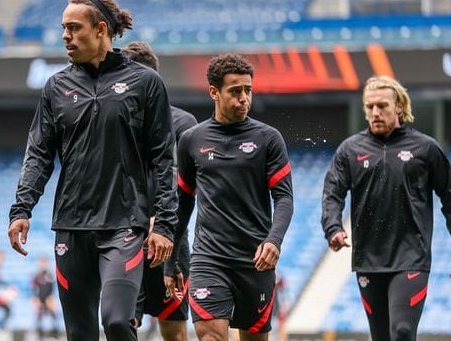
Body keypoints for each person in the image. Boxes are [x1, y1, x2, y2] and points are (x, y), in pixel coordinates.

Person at [8, 0, 178, 341]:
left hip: (124, 226)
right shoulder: (55, 87)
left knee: (117, 321)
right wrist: (21, 208)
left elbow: (163, 157)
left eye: (74, 28)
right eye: (63, 28)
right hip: (71, 227)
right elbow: (39, 153)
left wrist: (164, 223)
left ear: (101, 29)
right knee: (80, 334)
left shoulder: (146, 83)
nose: (65, 36)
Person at [322, 75, 451, 341]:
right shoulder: (350, 150)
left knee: (402, 331)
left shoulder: (426, 149)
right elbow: (333, 193)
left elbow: (449, 195)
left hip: (411, 257)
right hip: (369, 260)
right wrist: (333, 227)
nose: (375, 112)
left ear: (400, 107)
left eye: (382, 106)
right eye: (369, 107)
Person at [177, 53, 294, 340]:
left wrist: (273, 241)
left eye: (248, 91)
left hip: (255, 261)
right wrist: (173, 261)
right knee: (210, 337)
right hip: (208, 259)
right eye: (235, 91)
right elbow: (182, 202)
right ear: (214, 92)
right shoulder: (191, 140)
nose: (244, 98)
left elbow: (284, 198)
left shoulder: (269, 139)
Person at [122, 41, 197, 341]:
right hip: (123, 240)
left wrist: (161, 220)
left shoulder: (181, 123)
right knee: (122, 325)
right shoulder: (117, 121)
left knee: (175, 333)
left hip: (169, 241)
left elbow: (187, 184)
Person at [31, 256, 59, 339]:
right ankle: (40, 336)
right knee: (39, 317)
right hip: (40, 299)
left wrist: (51, 299)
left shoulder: (50, 275)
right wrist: (36, 299)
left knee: (53, 316)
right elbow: (33, 288)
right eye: (41, 263)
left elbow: (52, 288)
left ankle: (55, 335)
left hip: (48, 299)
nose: (43, 265)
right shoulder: (36, 276)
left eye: (44, 263)